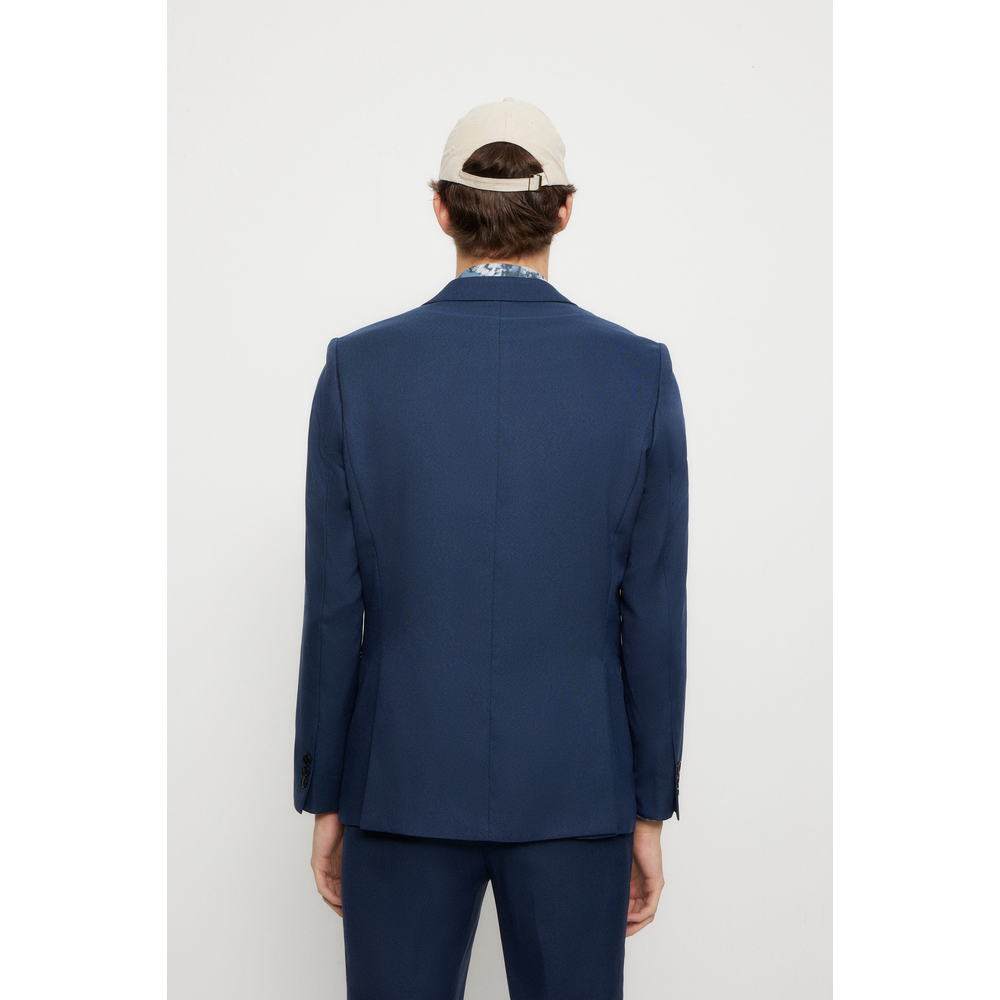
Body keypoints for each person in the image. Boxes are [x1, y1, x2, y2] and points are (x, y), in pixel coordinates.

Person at [293, 97, 689, 999]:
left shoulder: (359, 369)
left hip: (398, 784)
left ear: (441, 208)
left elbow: (333, 606)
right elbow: (653, 612)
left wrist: (327, 796)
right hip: (578, 789)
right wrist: (648, 809)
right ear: (564, 210)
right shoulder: (639, 373)